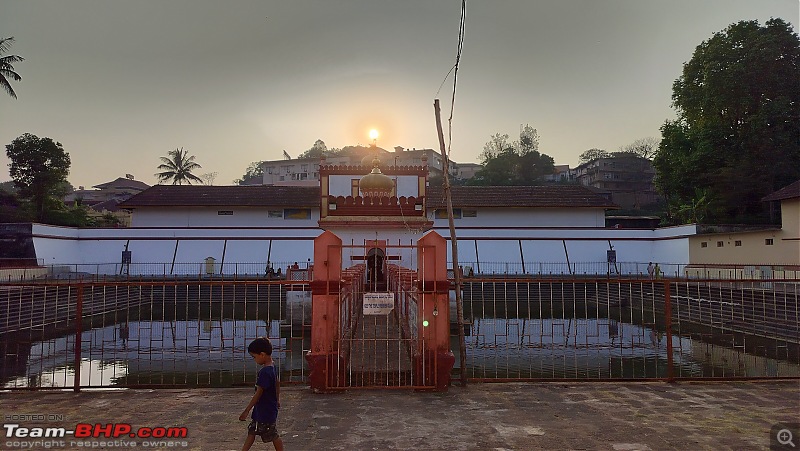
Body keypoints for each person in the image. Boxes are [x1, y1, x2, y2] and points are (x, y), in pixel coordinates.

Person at [240, 338, 283, 451]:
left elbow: (258, 394)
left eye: (254, 357)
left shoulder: (265, 372)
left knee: (272, 434)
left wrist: (246, 410)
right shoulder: (273, 366)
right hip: (265, 408)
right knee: (252, 430)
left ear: (262, 354)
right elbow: (277, 383)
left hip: (265, 410)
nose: (255, 360)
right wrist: (277, 399)